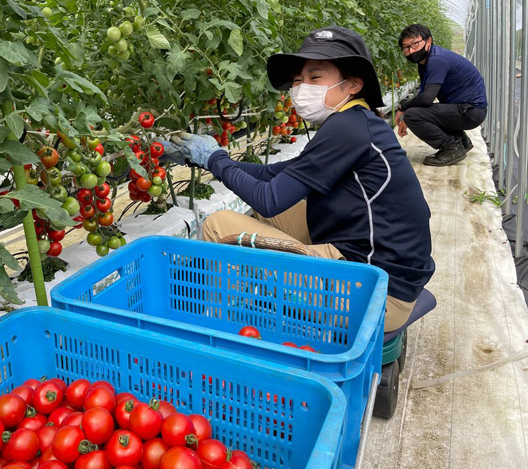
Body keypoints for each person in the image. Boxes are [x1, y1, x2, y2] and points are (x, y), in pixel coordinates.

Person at [162, 26, 435, 333]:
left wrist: (214, 158)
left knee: (219, 224)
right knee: (268, 209)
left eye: (315, 78)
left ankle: (206, 330)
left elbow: (268, 195)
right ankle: (272, 282)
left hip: (372, 294)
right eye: (297, 81)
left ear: (354, 84)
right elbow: (271, 176)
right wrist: (208, 159)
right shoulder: (357, 122)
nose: (302, 88)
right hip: (379, 270)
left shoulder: (347, 129)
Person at [395, 24, 487, 166]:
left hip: (470, 112)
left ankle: (451, 148)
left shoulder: (437, 60)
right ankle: (461, 141)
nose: (411, 50)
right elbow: (424, 93)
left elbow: (426, 98)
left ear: (429, 41)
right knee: (420, 111)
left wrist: (403, 107)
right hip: (467, 109)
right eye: (406, 47)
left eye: (415, 44)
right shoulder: (426, 60)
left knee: (413, 114)